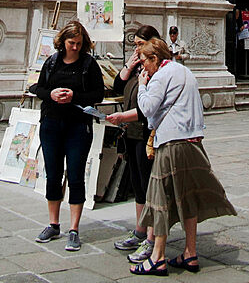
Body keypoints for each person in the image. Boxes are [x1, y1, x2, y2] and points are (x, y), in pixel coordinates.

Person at [132, 38, 236, 275]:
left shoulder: (159, 75)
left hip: (171, 143)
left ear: (155, 59)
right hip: (194, 141)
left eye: (144, 62)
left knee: (160, 199)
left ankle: (157, 257)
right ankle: (190, 253)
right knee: (188, 198)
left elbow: (148, 109)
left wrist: (142, 85)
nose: (143, 68)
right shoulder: (185, 71)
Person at [33, 20, 104, 249]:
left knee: (75, 175)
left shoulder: (89, 64)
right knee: (53, 174)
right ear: (63, 42)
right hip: (51, 123)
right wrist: (51, 94)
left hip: (78, 126)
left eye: (79, 43)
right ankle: (53, 224)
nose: (75, 47)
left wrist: (74, 96)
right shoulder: (52, 62)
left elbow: (98, 94)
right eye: (71, 43)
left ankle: (74, 228)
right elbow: (37, 88)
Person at [106, 25, 161, 264]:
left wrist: (122, 117)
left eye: (140, 44)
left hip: (147, 134)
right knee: (138, 185)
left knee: (149, 186)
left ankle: (151, 237)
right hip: (131, 133)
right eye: (135, 44)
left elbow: (148, 108)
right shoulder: (138, 66)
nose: (137, 48)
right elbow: (117, 88)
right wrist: (129, 65)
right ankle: (140, 230)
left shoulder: (156, 68)